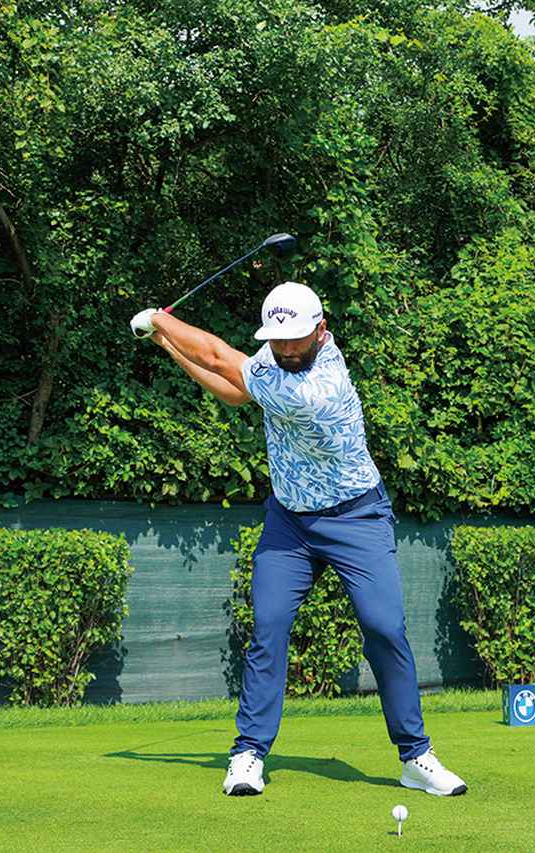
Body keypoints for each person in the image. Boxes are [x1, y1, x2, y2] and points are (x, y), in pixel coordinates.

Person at [130, 282, 467, 798]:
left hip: (357, 518)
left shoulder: (318, 388)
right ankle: (248, 754)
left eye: (296, 339)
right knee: (268, 628)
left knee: (384, 628)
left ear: (321, 331)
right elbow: (236, 389)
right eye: (277, 338)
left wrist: (160, 318)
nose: (286, 348)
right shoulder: (278, 359)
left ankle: (415, 756)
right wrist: (166, 343)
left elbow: (221, 359)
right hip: (289, 523)